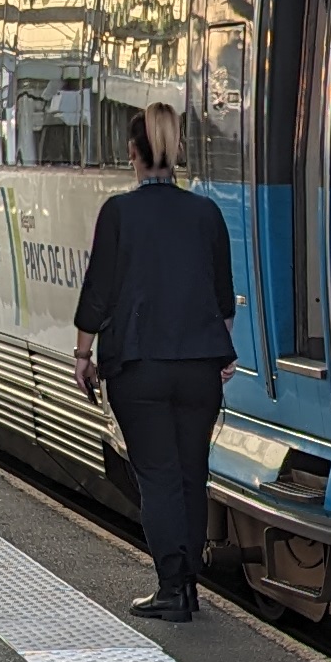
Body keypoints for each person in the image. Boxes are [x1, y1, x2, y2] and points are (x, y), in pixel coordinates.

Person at [73, 104, 237, 620]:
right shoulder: (206, 213)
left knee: (158, 477)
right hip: (199, 367)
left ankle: (171, 588)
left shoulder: (119, 213)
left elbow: (98, 294)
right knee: (191, 474)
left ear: (132, 153)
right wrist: (219, 353)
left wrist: (82, 354)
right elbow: (223, 298)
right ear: (178, 150)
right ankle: (190, 586)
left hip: (139, 365)